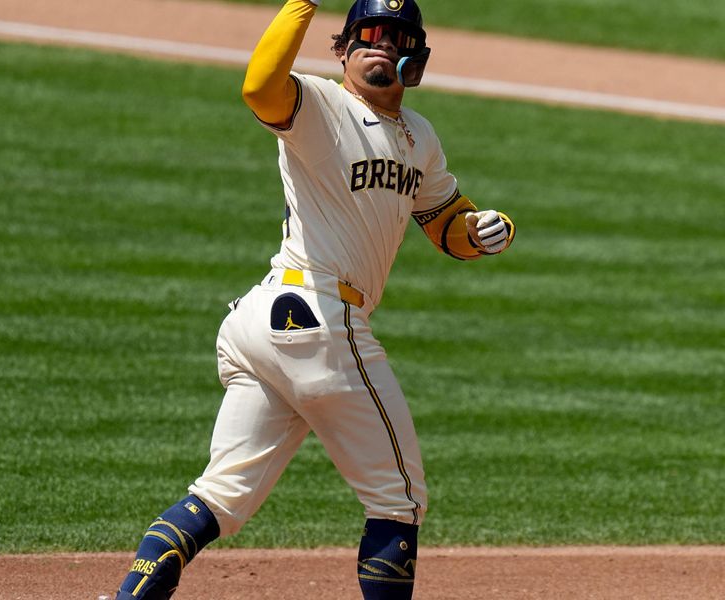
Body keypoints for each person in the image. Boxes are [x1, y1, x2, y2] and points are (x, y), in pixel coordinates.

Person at [114, 0, 515, 598]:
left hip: (272, 327)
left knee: (219, 498)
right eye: (368, 35)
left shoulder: (420, 138)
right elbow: (258, 87)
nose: (380, 44)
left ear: (417, 56)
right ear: (342, 49)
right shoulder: (319, 105)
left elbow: (443, 219)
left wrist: (479, 232)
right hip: (321, 319)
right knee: (398, 499)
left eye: (395, 35)